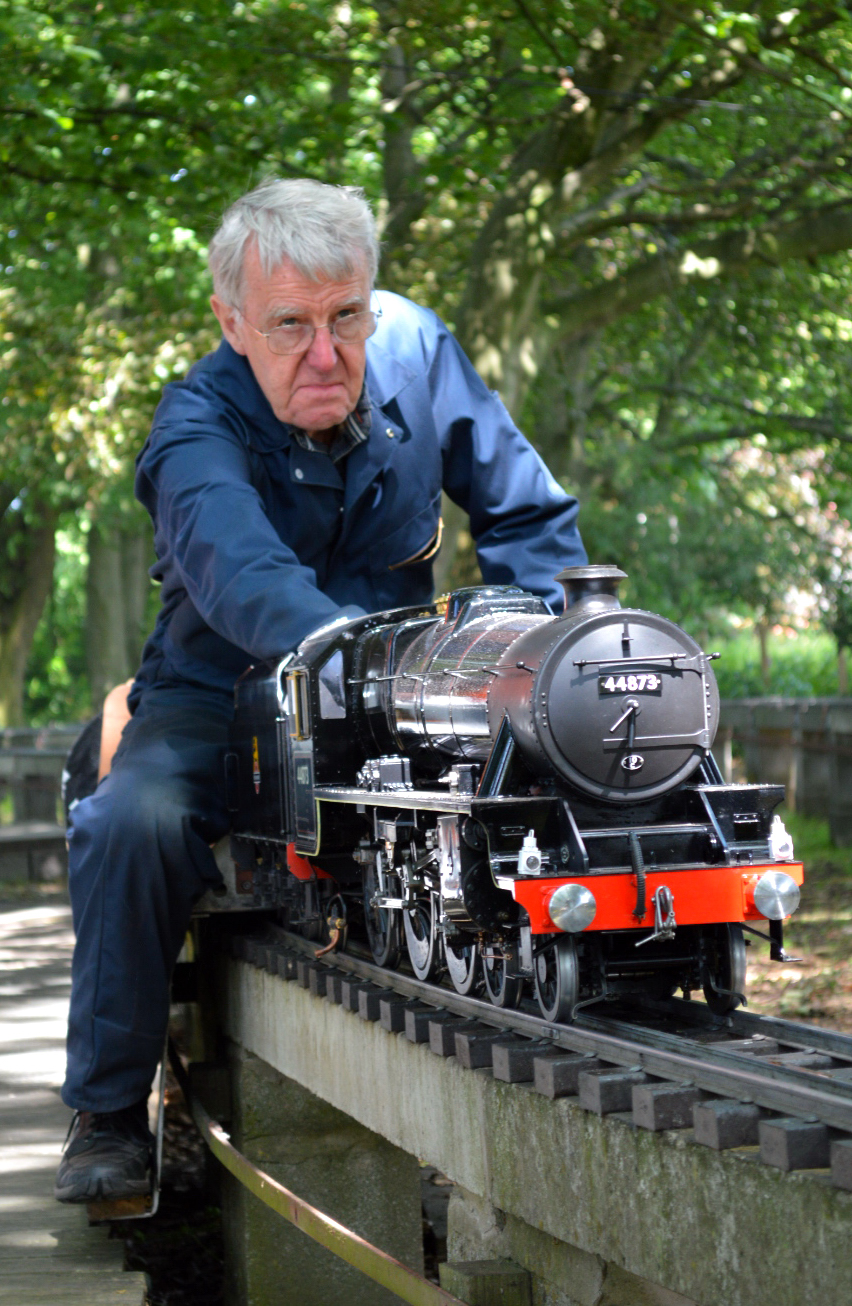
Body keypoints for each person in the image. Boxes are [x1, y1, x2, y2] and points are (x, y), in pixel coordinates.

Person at [55, 178, 586, 1202]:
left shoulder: (419, 350)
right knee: (134, 818)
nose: (327, 353)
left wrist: (537, 648)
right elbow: (246, 576)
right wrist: (354, 653)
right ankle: (110, 1112)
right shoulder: (192, 426)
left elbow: (527, 512)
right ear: (232, 322)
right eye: (291, 325)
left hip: (413, 690)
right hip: (227, 695)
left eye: (348, 316)